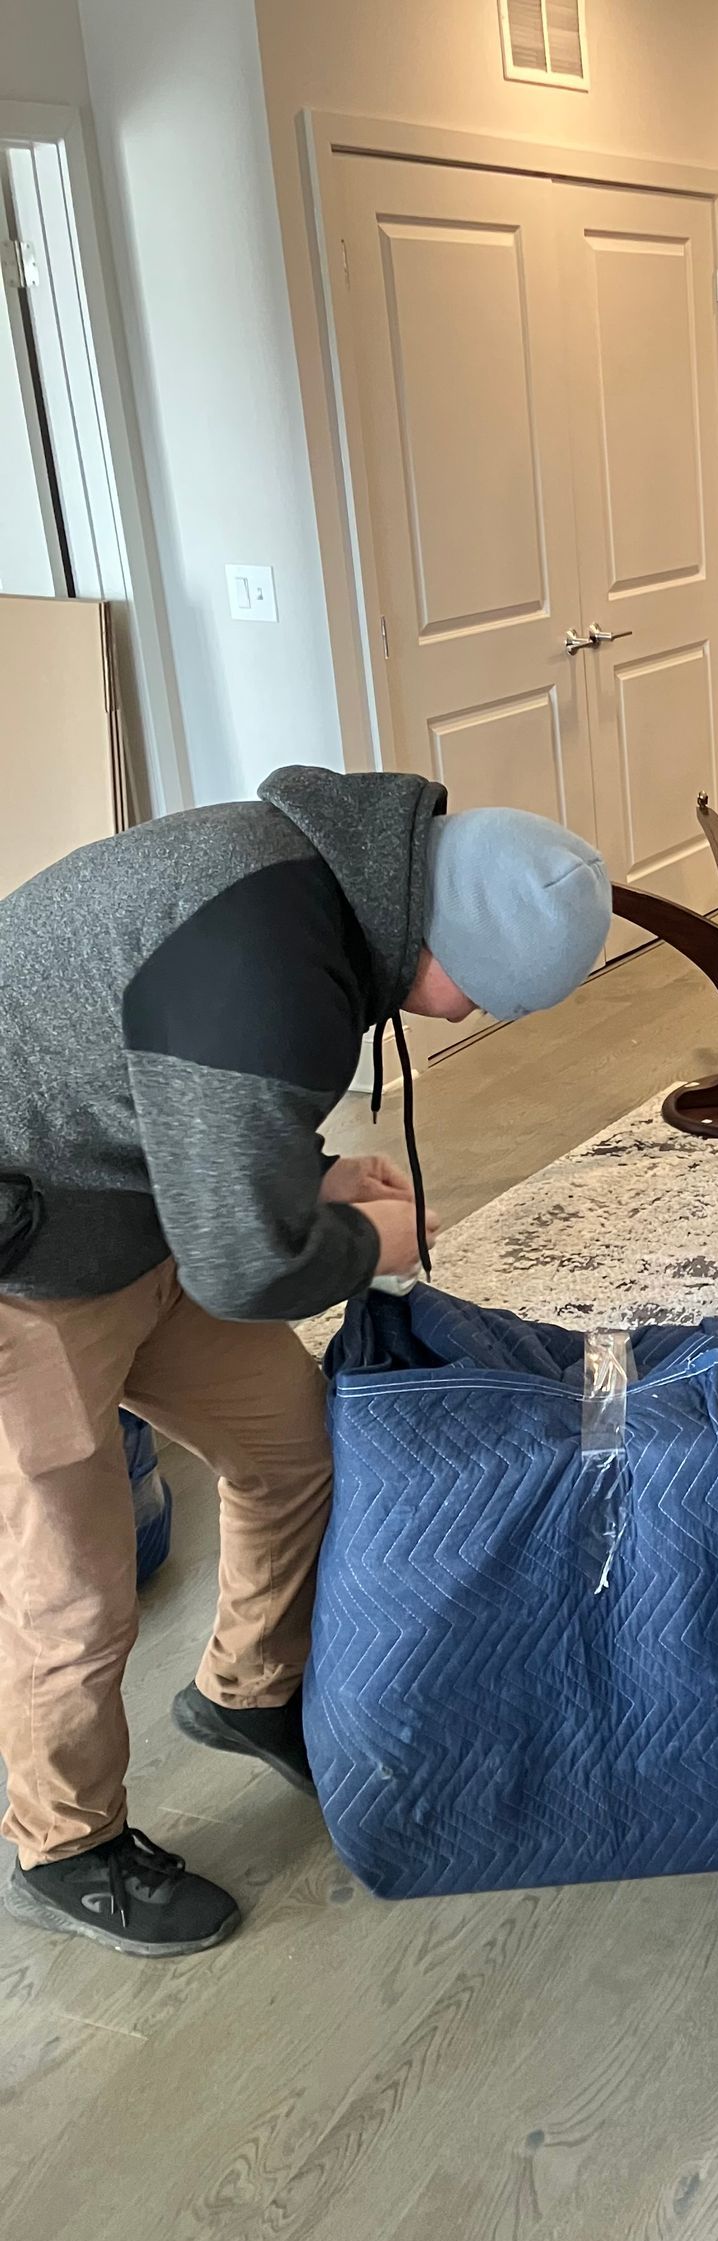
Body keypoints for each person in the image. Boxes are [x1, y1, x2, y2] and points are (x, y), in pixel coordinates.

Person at [0, 767, 612, 1955]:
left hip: (135, 1212)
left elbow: (201, 1122)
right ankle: (62, 1841)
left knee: (291, 1447)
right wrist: (363, 1239)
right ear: (445, 942)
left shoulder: (335, 884)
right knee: (74, 1589)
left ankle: (247, 1690)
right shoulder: (266, 971)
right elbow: (241, 1260)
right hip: (27, 1265)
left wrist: (316, 1186)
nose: (468, 1016)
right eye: (480, 996)